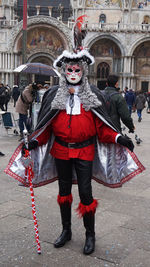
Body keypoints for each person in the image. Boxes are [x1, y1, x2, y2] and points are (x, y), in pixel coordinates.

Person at [5, 16, 144, 256]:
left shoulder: (93, 97)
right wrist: (35, 141)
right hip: (60, 150)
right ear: (63, 70)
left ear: (83, 71)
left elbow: (102, 127)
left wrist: (119, 138)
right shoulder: (53, 97)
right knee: (63, 193)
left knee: (86, 193)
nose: (72, 72)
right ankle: (66, 230)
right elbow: (46, 127)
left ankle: (90, 234)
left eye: (76, 69)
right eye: (69, 69)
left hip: (85, 151)